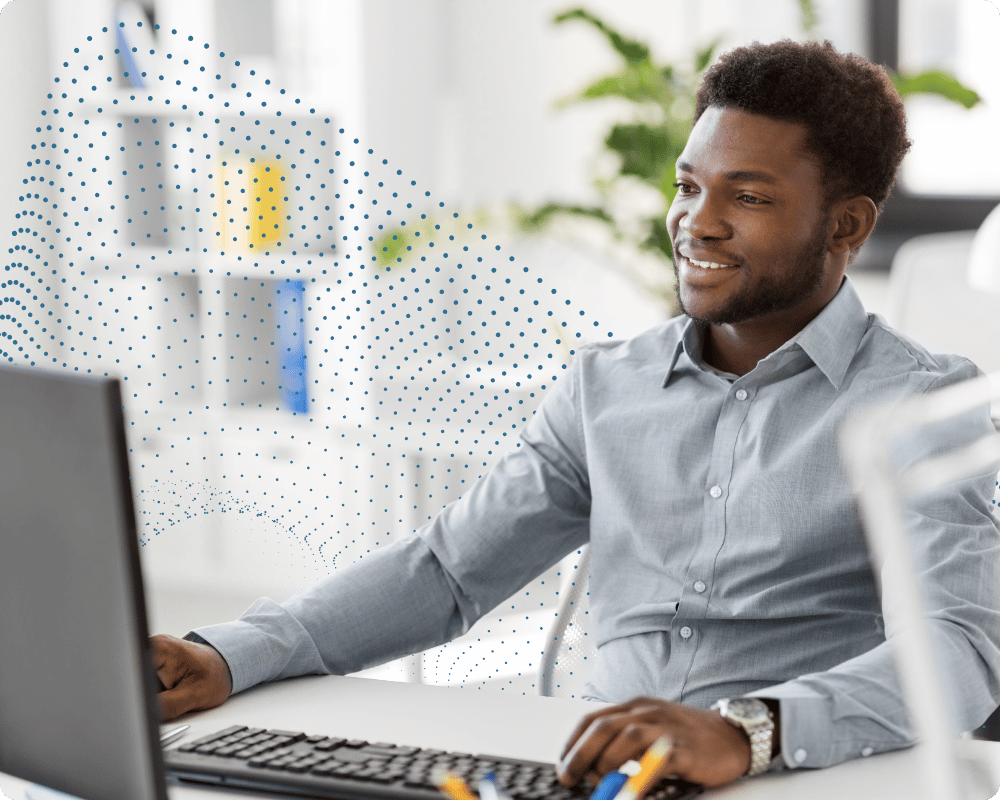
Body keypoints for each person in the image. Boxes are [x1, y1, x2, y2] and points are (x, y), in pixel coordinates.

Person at [151, 39, 1000, 792]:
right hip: (595, 776)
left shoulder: (917, 404)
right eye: (689, 186)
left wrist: (748, 730)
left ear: (846, 224)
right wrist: (231, 654)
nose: (695, 223)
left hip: (794, 776)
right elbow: (449, 571)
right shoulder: (607, 388)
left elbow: (957, 653)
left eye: (747, 198)